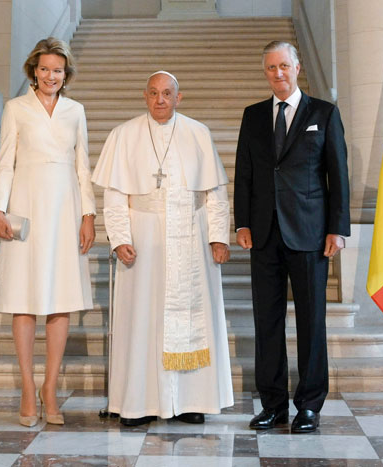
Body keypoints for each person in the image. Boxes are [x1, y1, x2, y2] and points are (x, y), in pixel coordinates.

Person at [92, 71, 233, 426]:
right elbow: (114, 196)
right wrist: (121, 237)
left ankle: (190, 401)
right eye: (154, 93)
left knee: (191, 317)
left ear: (178, 97)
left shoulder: (198, 133)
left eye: (167, 93)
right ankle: (137, 403)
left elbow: (214, 193)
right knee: (141, 318)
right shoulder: (123, 135)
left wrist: (218, 236)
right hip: (144, 239)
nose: (160, 100)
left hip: (190, 235)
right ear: (145, 96)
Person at [234, 41, 350, 433]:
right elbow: (245, 173)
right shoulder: (252, 117)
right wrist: (242, 222)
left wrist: (338, 227)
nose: (277, 74)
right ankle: (273, 404)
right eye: (270, 68)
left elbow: (338, 175)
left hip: (311, 234)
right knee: (267, 322)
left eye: (283, 66)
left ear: (297, 67)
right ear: (265, 71)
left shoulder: (324, 113)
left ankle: (310, 405)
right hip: (264, 235)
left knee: (311, 322)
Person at [0, 37, 96, 427]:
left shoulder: (75, 111)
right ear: (34, 70)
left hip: (66, 208)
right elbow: (5, 163)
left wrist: (89, 214)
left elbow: (83, 165)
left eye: (58, 69)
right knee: (23, 298)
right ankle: (26, 386)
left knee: (61, 298)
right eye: (45, 68)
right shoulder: (16, 108)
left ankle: (50, 387)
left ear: (66, 74)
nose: (51, 75)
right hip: (26, 207)